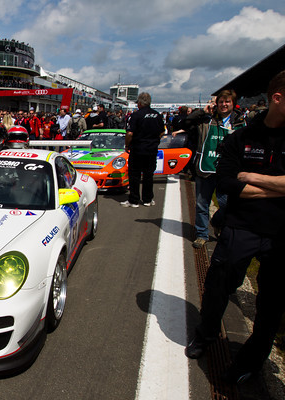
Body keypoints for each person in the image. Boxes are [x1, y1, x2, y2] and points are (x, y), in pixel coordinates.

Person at [185, 70, 285, 384]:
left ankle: (250, 362)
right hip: (241, 226)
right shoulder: (240, 138)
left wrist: (252, 177)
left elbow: (240, 182)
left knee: (272, 303)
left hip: (281, 233)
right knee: (217, 286)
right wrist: (277, 187)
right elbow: (227, 183)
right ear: (277, 98)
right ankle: (206, 334)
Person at [187, 90, 246, 248]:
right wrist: (203, 111)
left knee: (227, 203)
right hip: (205, 169)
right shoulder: (206, 120)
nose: (224, 105)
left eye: (227, 102)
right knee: (202, 204)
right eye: (221, 102)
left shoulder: (239, 122)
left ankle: (217, 222)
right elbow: (186, 122)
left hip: (228, 171)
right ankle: (201, 234)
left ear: (233, 104)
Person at [121, 92, 165, 208]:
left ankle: (134, 200)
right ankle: (147, 199)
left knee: (134, 175)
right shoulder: (157, 115)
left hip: (138, 149)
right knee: (148, 175)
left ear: (139, 103)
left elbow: (129, 133)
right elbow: (162, 131)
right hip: (151, 150)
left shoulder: (136, 115)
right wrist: (154, 140)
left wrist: (127, 145)